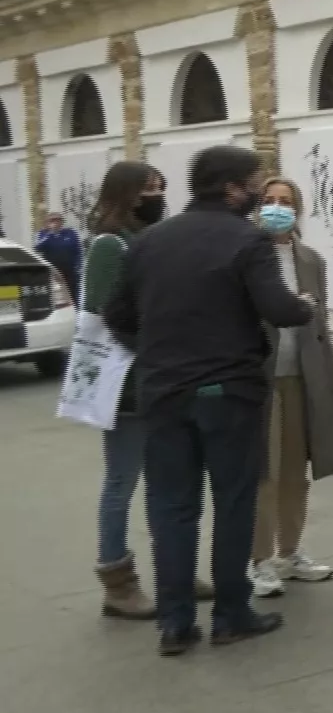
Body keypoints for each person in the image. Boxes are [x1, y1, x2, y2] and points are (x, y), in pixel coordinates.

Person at [104, 146, 316, 657]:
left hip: (164, 391)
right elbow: (277, 308)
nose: (260, 194)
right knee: (234, 501)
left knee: (171, 508)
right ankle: (230, 615)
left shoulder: (150, 240)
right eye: (255, 183)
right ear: (232, 188)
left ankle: (175, 624)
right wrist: (302, 307)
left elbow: (117, 315)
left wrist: (157, 353)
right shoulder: (248, 240)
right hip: (230, 392)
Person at [85, 163, 214, 619]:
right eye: (151, 189)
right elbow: (104, 311)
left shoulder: (147, 240)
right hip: (129, 385)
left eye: (162, 187)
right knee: (122, 481)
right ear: (127, 194)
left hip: (165, 377)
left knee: (173, 481)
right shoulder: (109, 244)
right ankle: (117, 584)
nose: (159, 195)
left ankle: (175, 571)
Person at [247, 178, 333, 599]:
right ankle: (259, 559)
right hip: (261, 376)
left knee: (295, 471)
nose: (276, 208)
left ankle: (290, 551)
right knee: (262, 471)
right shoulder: (246, 255)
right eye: (268, 201)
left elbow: (320, 321)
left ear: (297, 210)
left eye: (285, 202)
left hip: (302, 374)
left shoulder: (310, 259)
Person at [36, 212, 81, 306]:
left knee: (73, 294)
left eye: (58, 219)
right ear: (47, 222)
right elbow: (38, 247)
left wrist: (79, 265)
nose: (56, 222)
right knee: (57, 295)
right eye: (52, 220)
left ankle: (75, 311)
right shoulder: (43, 234)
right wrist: (50, 233)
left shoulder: (70, 232)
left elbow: (78, 250)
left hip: (70, 270)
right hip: (53, 271)